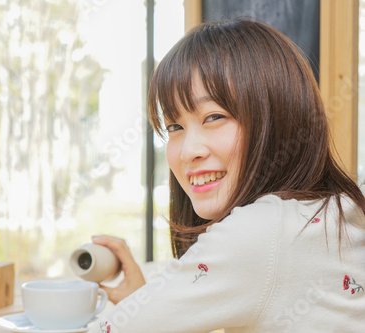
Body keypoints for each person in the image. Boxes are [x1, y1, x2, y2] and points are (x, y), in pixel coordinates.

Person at [87, 18, 365, 333]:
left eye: (215, 116)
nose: (187, 151)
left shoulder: (261, 231)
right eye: (175, 127)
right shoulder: (332, 214)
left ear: (278, 120)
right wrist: (144, 301)